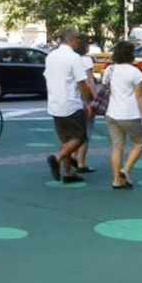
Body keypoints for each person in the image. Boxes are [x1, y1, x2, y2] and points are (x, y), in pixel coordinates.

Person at [44, 26, 94, 184]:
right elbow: (82, 83)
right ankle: (57, 158)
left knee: (66, 139)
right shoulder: (74, 58)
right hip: (71, 103)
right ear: (72, 39)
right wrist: (89, 103)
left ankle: (68, 173)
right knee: (80, 137)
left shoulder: (51, 56)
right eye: (78, 39)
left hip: (54, 103)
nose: (79, 42)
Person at [101, 41, 142, 189]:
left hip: (111, 113)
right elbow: (139, 95)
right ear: (131, 54)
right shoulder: (134, 72)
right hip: (129, 114)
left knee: (117, 146)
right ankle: (126, 170)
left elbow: (106, 87)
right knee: (139, 142)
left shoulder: (110, 69)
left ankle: (117, 179)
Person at [71, 34, 97, 173]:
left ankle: (73, 158)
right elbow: (89, 82)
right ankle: (81, 163)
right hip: (84, 98)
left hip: (72, 98)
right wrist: (95, 99)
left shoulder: (71, 59)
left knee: (75, 133)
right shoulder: (86, 60)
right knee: (86, 133)